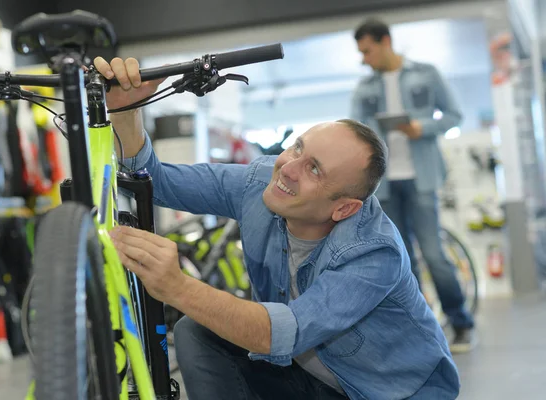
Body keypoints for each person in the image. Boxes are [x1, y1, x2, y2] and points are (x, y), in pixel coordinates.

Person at [95, 56, 460, 400]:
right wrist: (126, 111)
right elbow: (154, 182)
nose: (288, 168)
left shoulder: (373, 252)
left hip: (387, 393)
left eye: (314, 169)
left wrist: (176, 287)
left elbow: (282, 332)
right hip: (312, 378)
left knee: (211, 320)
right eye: (297, 148)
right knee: (197, 331)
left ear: (344, 208)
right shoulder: (262, 183)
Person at [350, 18, 476, 353]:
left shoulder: (426, 73)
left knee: (434, 255)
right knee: (403, 260)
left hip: (422, 178)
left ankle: (461, 322)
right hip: (385, 185)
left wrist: (422, 128)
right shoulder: (364, 89)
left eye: (367, 50)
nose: (364, 59)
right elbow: (353, 132)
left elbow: (453, 115)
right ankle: (422, 328)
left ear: (385, 41)